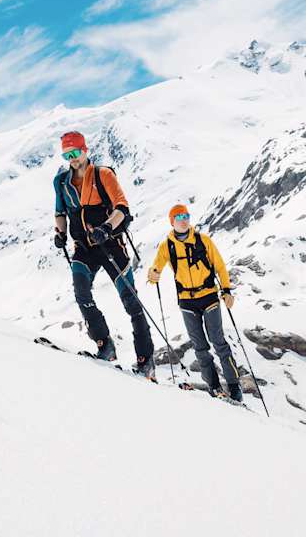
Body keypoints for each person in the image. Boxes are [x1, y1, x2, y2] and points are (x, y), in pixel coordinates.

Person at [52, 131, 155, 379]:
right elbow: (60, 213)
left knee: (130, 301)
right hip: (83, 248)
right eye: (67, 155)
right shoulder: (61, 182)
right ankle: (104, 344)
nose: (72, 159)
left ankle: (145, 359)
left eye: (75, 153)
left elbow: (122, 207)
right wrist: (60, 234)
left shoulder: (103, 175)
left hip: (110, 246)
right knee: (81, 292)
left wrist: (106, 228)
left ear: (85, 150)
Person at [147, 204, 242, 401]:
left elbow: (220, 266)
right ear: (172, 221)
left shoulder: (203, 240)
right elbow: (157, 265)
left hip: (208, 296)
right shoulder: (167, 246)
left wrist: (226, 290)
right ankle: (214, 386)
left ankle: (234, 386)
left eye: (186, 216)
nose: (184, 219)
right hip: (187, 302)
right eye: (179, 216)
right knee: (200, 347)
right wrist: (153, 274)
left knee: (218, 342)